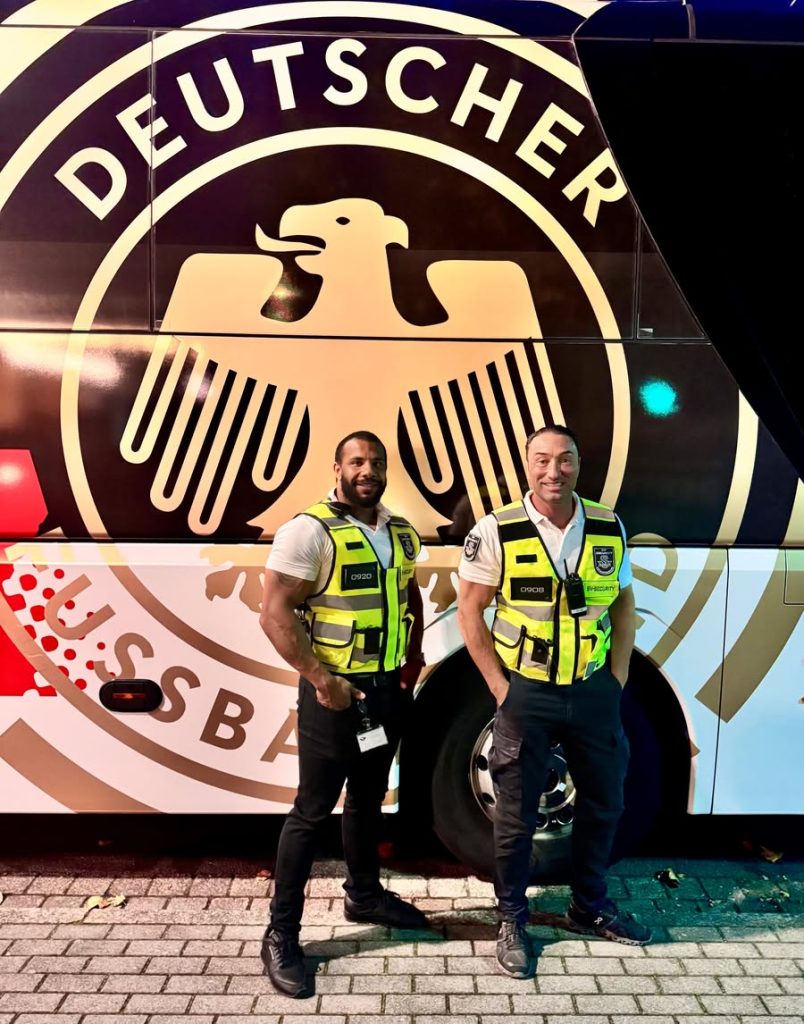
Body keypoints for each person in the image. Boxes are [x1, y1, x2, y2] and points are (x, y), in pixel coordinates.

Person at [457, 424, 651, 979]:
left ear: (578, 465)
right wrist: (500, 687)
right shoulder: (497, 530)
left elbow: (622, 605)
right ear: (527, 463)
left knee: (605, 803)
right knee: (515, 818)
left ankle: (590, 905)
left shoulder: (607, 527)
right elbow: (470, 612)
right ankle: (513, 920)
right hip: (528, 693)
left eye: (564, 460)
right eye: (542, 460)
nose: (553, 471)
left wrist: (614, 681)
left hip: (592, 692)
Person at [258, 430, 427, 997]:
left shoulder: (399, 533)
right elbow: (275, 613)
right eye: (357, 461)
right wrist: (321, 680)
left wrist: (414, 657)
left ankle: (364, 895)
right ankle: (281, 934)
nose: (367, 470)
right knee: (311, 810)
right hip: (334, 697)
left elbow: (408, 595)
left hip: (384, 694)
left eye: (376, 462)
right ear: (337, 468)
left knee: (367, 798)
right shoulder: (310, 531)